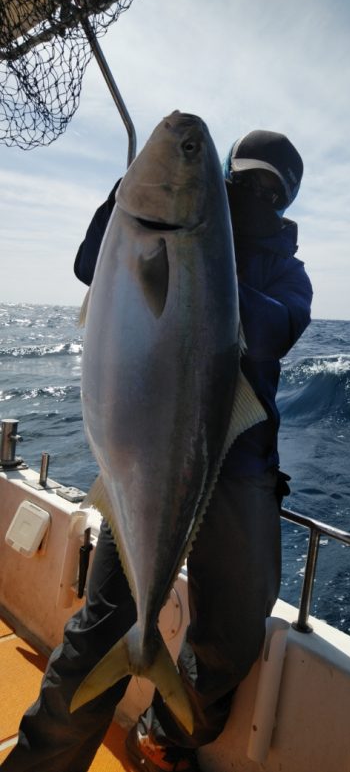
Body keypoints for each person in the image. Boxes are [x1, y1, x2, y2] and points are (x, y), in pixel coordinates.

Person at [3, 129, 312, 772]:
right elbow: (93, 262)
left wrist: (202, 262)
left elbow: (273, 330)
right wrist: (129, 197)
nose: (256, 195)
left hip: (239, 462)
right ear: (224, 176)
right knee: (103, 626)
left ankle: (165, 734)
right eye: (248, 179)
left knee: (231, 638)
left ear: (286, 204)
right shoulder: (161, 223)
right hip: (146, 461)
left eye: (272, 192)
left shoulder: (287, 272)